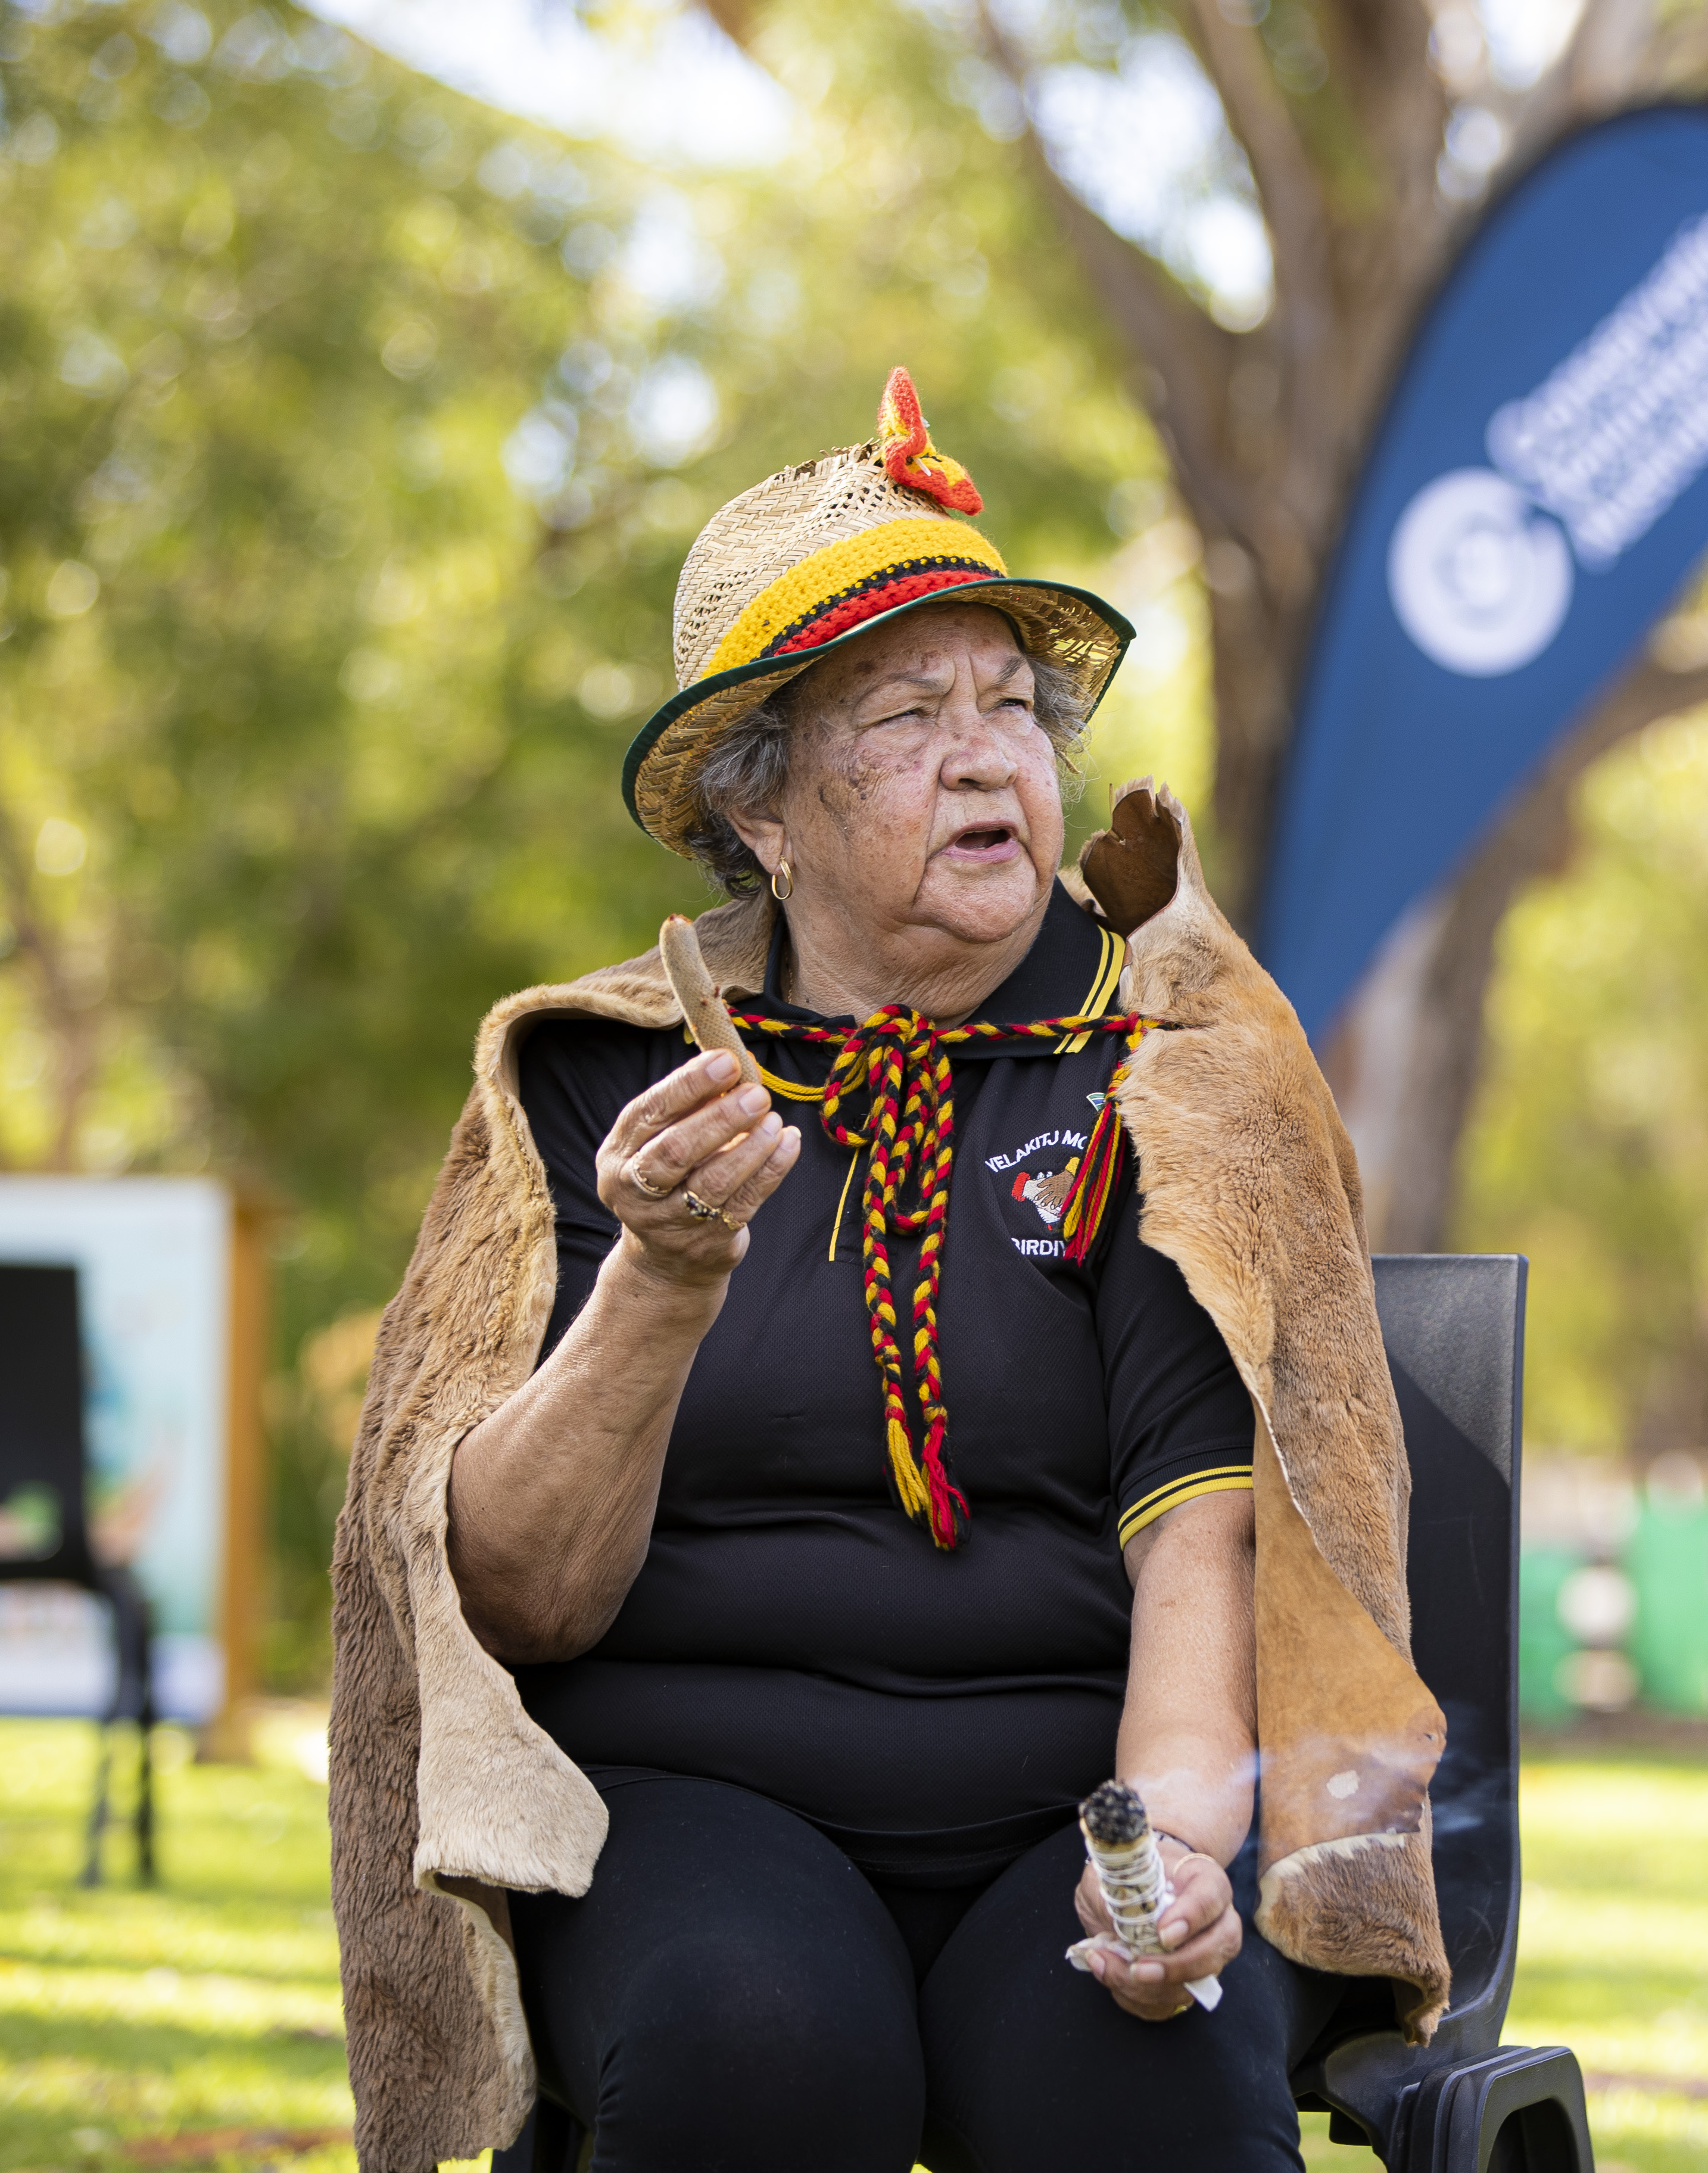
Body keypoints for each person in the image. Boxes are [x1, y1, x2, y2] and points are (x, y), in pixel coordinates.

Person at [326, 371, 1450, 2173]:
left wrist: (1164, 1861)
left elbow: (1201, 1556)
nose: (989, 752)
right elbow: (517, 1603)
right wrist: (665, 1284)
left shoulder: (1157, 1065)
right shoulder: (598, 1084)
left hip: (1067, 1806)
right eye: (907, 714)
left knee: (1152, 2084)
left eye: (1013, 704)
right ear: (761, 810)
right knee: (760, 2051)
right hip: (692, 1799)